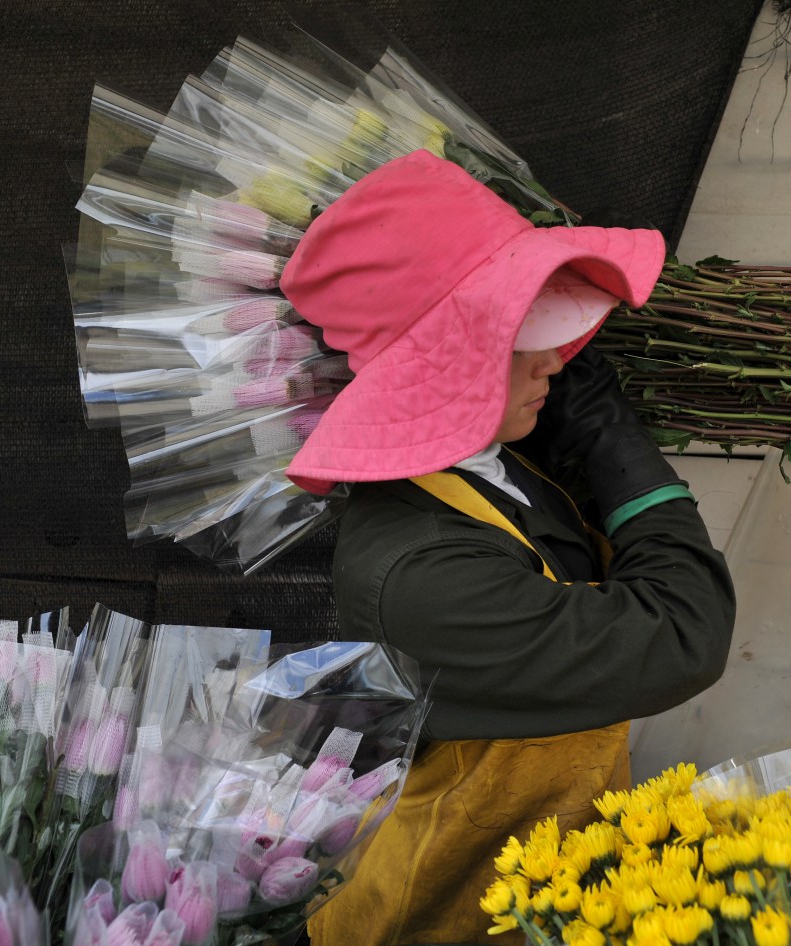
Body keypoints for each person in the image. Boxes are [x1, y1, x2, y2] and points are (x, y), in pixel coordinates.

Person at [277, 150, 736, 945]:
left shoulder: (502, 467)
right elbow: (682, 632)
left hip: (552, 894)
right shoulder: (420, 571)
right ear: (438, 365)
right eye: (519, 329)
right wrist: (609, 433)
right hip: (447, 921)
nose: (558, 358)